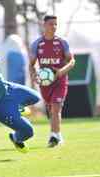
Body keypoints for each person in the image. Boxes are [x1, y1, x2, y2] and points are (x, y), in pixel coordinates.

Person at [29, 15, 75, 148]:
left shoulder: (62, 42)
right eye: (51, 24)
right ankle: (58, 135)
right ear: (44, 25)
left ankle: (53, 137)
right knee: (51, 109)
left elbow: (72, 61)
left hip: (60, 80)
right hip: (45, 83)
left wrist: (61, 71)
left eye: (55, 24)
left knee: (56, 108)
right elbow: (31, 64)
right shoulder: (37, 44)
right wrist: (33, 75)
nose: (54, 27)